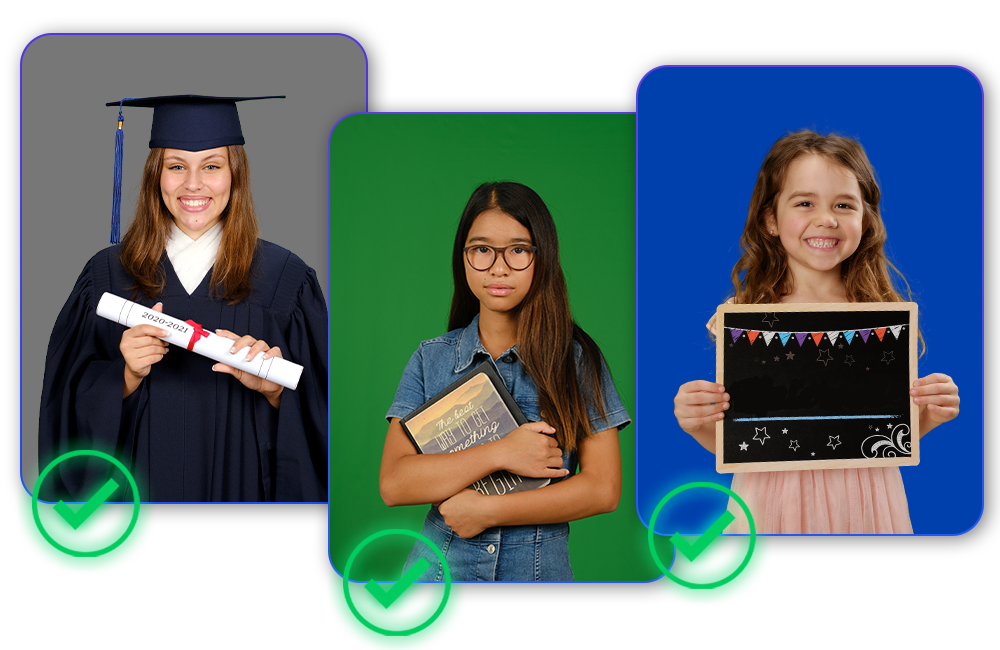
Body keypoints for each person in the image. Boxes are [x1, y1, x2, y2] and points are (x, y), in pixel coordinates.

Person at [38, 96, 328, 503]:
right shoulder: (108, 274)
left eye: (212, 166)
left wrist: (274, 390)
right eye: (177, 166)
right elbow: (64, 409)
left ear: (235, 175)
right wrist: (124, 377)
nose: (193, 184)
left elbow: (323, 417)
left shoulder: (283, 279)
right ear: (156, 175)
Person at [673, 130, 960, 534]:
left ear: (866, 219)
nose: (826, 219)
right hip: (773, 503)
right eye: (805, 202)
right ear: (771, 219)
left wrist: (930, 411)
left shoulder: (880, 317)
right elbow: (737, 440)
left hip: (866, 502)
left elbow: (890, 431)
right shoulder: (745, 318)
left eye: (844, 204)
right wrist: (698, 420)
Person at [379, 182, 630, 581]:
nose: (499, 267)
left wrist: (487, 510)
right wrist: (501, 452)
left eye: (517, 250)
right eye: (482, 249)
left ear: (541, 257)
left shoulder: (577, 361)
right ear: (463, 258)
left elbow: (603, 488)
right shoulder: (431, 359)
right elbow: (395, 483)